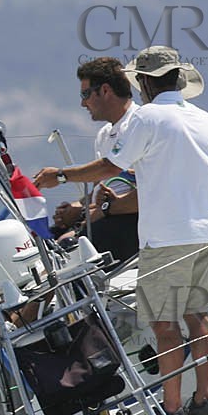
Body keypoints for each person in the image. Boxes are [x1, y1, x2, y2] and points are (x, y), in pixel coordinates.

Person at [34, 46, 208, 415]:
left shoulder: (150, 117)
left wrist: (62, 176)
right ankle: (205, 399)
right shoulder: (206, 119)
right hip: (207, 232)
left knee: (164, 326)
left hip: (166, 237)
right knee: (198, 319)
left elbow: (110, 166)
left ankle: (172, 410)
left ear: (146, 83)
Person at [48, 57, 140, 267]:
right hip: (106, 214)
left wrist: (60, 176)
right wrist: (76, 207)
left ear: (105, 91)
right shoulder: (104, 134)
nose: (83, 103)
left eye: (85, 94)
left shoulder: (139, 123)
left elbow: (117, 173)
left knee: (69, 247)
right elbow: (105, 185)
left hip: (131, 219)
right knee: (46, 243)